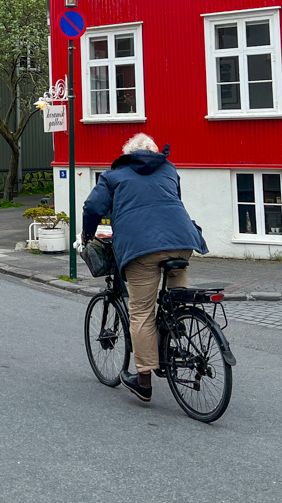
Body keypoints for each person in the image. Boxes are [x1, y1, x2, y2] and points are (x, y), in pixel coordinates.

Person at [80, 133, 208, 404]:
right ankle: (176, 327)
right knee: (176, 300)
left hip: (143, 248)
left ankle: (143, 380)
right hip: (182, 241)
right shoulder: (169, 169)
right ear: (153, 152)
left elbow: (93, 206)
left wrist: (86, 235)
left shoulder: (113, 176)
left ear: (127, 154)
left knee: (140, 311)